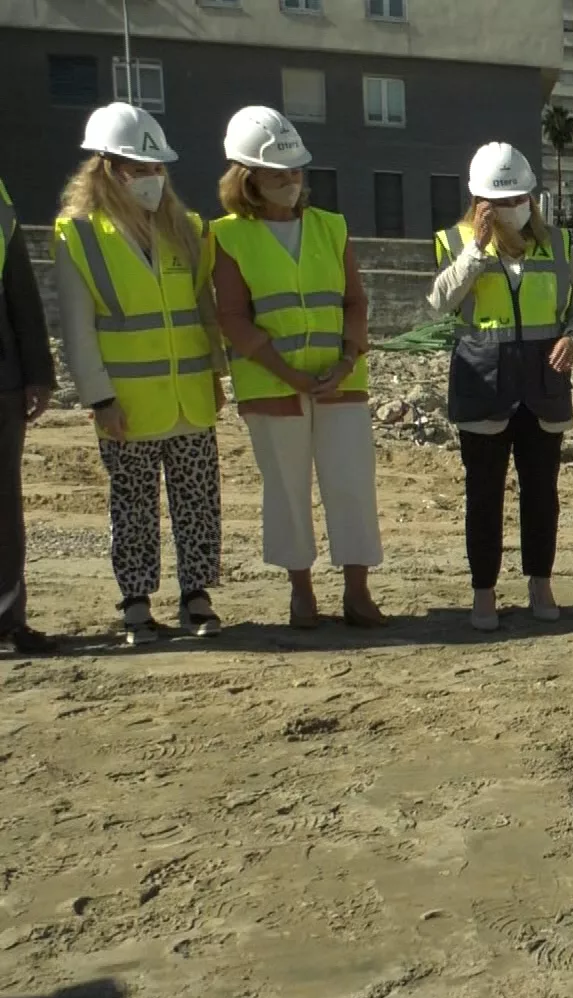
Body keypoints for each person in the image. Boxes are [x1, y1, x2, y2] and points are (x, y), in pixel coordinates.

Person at [53, 103, 225, 645]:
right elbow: (79, 329)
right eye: (138, 169)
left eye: (156, 169)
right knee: (132, 505)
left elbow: (203, 308)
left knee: (198, 500)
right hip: (127, 402)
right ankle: (136, 602)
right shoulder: (78, 236)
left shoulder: (186, 228)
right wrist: (99, 398)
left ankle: (197, 595)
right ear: (107, 168)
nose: (151, 179)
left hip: (189, 396)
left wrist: (216, 374)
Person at [209, 105, 385, 629]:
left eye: (294, 172)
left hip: (340, 379)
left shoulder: (331, 228)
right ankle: (301, 593)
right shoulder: (228, 236)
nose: (290, 182)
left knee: (352, 483)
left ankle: (357, 592)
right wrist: (289, 375)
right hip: (272, 385)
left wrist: (348, 358)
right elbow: (232, 318)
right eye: (276, 174)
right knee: (286, 489)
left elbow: (355, 301)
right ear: (248, 178)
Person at [429, 143, 573, 631]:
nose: (516, 206)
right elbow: (440, 302)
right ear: (480, 203)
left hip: (542, 385)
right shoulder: (455, 242)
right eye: (504, 201)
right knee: (484, 493)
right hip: (485, 382)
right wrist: (476, 250)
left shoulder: (555, 243)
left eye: (523, 196)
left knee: (542, 492)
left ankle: (540, 581)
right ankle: (484, 592)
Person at [0, 175, 57, 654]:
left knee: (3, 502)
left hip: (3, 378)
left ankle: (7, 617)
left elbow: (19, 284)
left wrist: (38, 370)